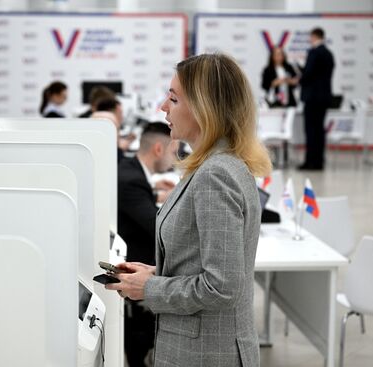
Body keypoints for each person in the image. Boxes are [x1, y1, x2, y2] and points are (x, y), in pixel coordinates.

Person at [106, 53, 272, 367]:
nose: (162, 107)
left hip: (207, 353)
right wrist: (155, 274)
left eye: (173, 99)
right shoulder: (214, 166)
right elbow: (207, 267)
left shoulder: (216, 174)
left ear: (202, 109)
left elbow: (221, 287)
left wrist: (150, 288)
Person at [118, 122, 178, 367]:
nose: (175, 161)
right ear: (157, 149)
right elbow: (159, 228)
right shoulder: (131, 180)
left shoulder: (131, 170)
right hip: (138, 261)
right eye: (174, 152)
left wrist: (154, 194)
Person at [298, 27, 335, 170]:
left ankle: (310, 162)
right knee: (319, 131)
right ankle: (319, 162)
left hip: (312, 98)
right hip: (324, 98)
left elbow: (308, 74)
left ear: (314, 36)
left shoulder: (314, 52)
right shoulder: (329, 54)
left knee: (311, 131)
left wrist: (300, 78)